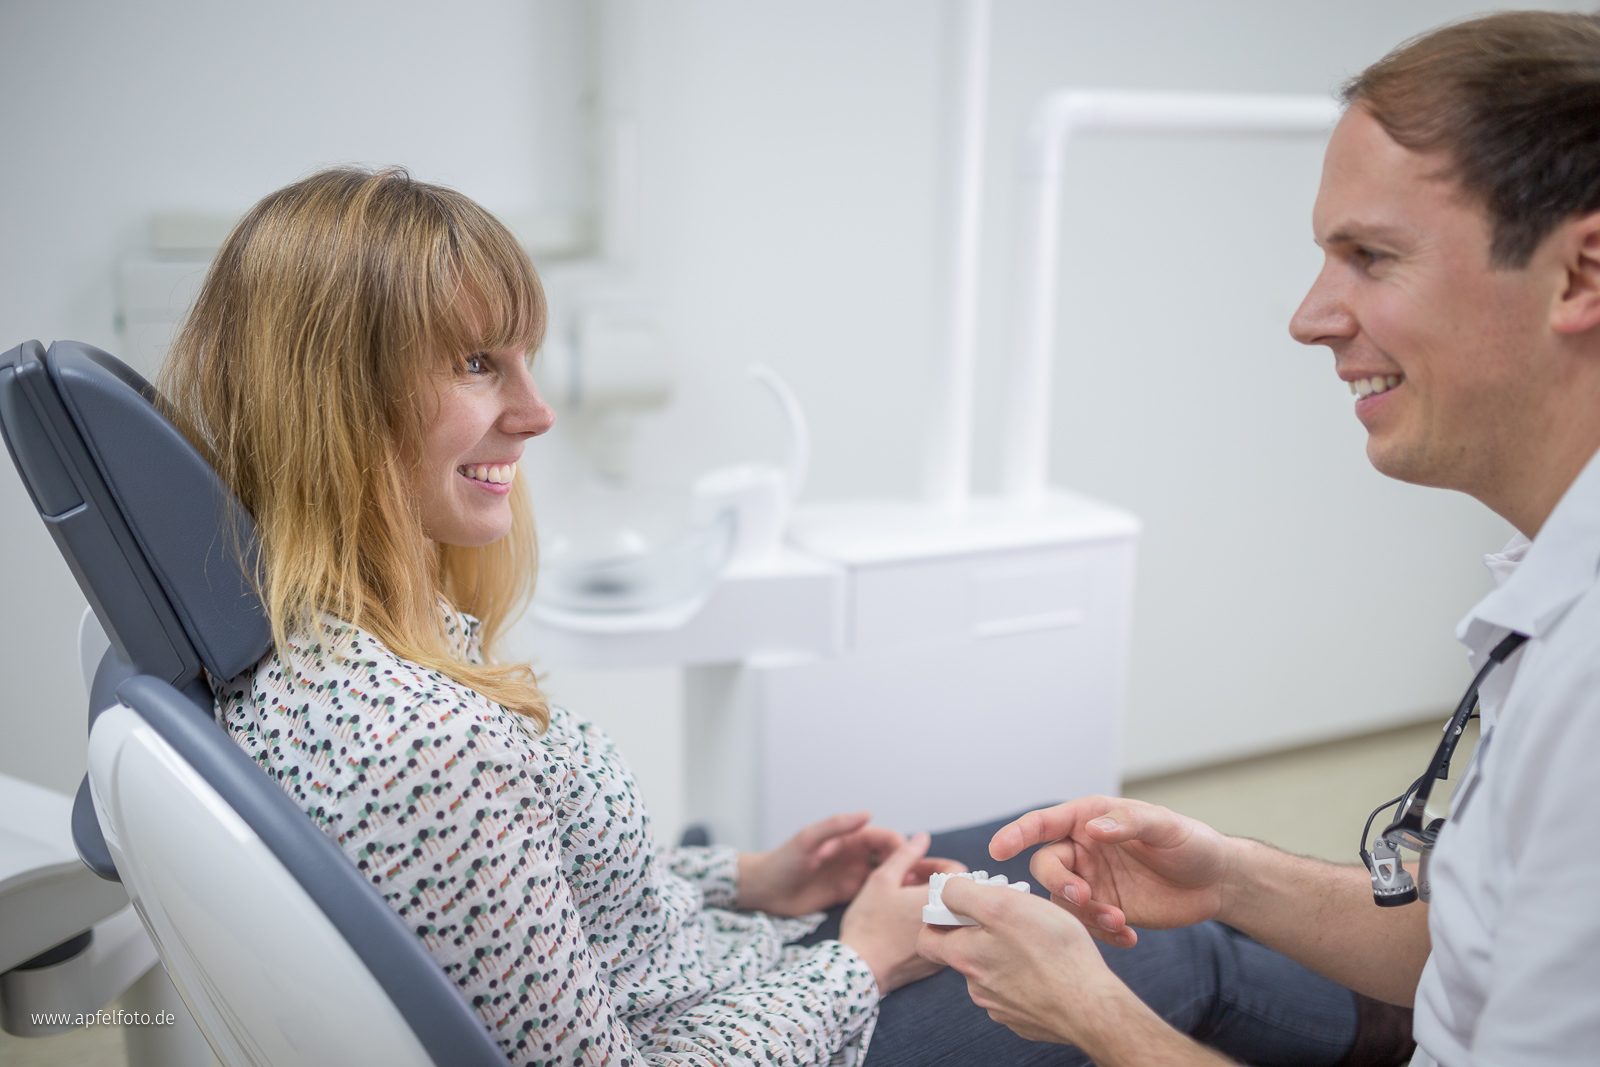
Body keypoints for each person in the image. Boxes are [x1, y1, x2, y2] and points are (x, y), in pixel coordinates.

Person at [158, 166, 1378, 1065]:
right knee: (1173, 954)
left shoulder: (312, 658)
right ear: (334, 397)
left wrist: (751, 877)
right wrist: (865, 952)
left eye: (522, 359)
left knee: (1024, 835)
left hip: (724, 974)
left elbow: (513, 906)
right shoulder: (432, 735)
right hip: (763, 1035)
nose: (535, 412)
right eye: (480, 366)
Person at [918, 10, 1600, 1066]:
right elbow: (1488, 950)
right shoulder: (1557, 589)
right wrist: (1230, 876)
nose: (1310, 315)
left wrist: (1093, 1018)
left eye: (1369, 256)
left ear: (1580, 275)